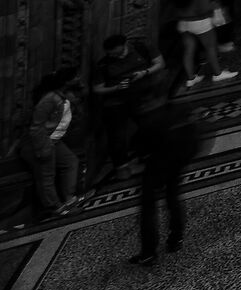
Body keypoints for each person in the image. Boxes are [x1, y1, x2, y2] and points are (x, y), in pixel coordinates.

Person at [129, 80, 200, 265]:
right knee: (173, 197)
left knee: (148, 208)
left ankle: (148, 252)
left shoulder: (149, 122)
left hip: (156, 166)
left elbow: (141, 151)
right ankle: (176, 238)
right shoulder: (180, 109)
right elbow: (195, 136)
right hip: (178, 162)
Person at [91, 35, 153, 180]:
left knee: (148, 126)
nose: (115, 56)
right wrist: (116, 88)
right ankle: (122, 167)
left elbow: (158, 63)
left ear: (126, 45)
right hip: (115, 103)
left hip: (139, 98)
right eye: (112, 54)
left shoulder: (139, 49)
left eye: (118, 53)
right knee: (117, 136)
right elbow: (97, 88)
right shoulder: (103, 65)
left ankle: (145, 155)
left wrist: (143, 73)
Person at [23, 72, 82, 222]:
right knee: (46, 175)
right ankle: (56, 208)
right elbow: (36, 127)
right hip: (40, 142)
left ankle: (69, 198)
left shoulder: (64, 101)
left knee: (70, 162)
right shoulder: (51, 99)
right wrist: (43, 147)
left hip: (54, 140)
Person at [175, 0, 235, 86]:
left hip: (183, 22)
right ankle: (218, 74)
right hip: (200, 22)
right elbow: (203, 8)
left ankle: (191, 79)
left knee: (188, 50)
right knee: (210, 47)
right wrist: (214, 4)